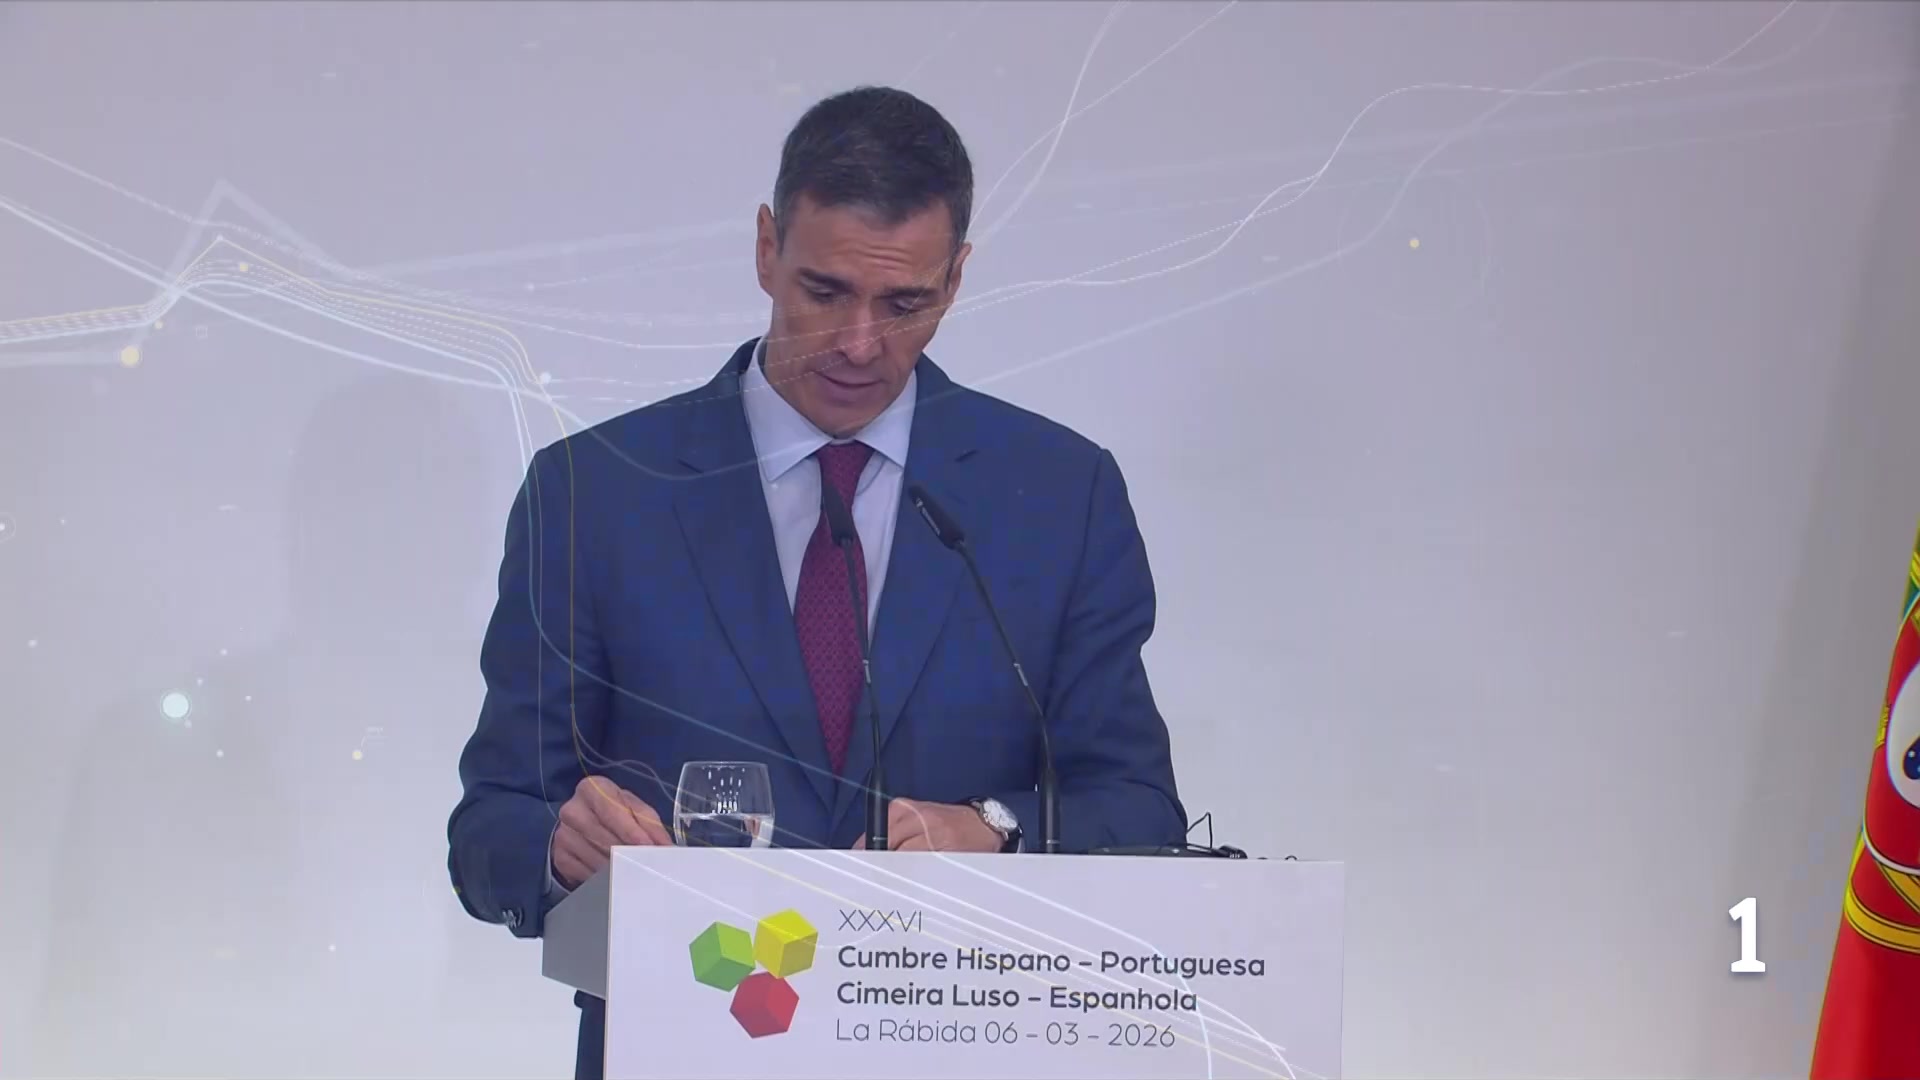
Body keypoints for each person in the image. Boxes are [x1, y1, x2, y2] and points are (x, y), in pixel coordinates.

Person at [445, 84, 1187, 1079]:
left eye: (905, 303)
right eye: (825, 292)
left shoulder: (1059, 494)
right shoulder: (594, 492)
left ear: (957, 277)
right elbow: (490, 829)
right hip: (680, 1050)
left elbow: (1136, 808)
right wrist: (556, 846)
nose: (859, 345)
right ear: (766, 249)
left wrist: (996, 829)